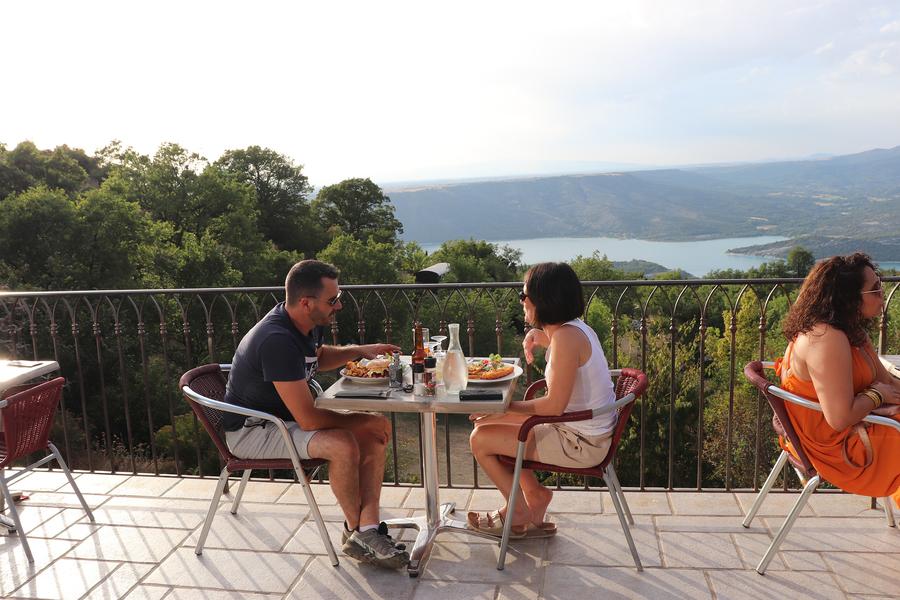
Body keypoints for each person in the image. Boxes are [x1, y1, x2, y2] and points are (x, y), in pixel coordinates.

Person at [223, 259, 410, 569]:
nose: (338, 306)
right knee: (345, 443)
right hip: (253, 430)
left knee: (374, 434)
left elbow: (318, 357)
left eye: (339, 297)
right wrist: (360, 421)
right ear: (307, 302)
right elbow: (309, 419)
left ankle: (367, 528)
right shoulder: (277, 340)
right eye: (332, 300)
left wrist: (361, 350)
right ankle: (358, 532)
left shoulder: (306, 324)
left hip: (283, 421)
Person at [467, 262, 617, 537]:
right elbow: (572, 357)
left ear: (542, 300)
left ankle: (519, 510)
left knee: (480, 439)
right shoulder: (574, 330)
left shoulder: (565, 339)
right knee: (484, 428)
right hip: (583, 430)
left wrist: (503, 409)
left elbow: (553, 406)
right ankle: (534, 496)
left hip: (581, 443)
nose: (522, 301)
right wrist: (543, 337)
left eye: (524, 296)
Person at [777, 252, 900, 508]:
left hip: (860, 431)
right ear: (849, 297)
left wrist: (883, 390)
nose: (882, 293)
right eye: (875, 289)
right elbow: (840, 417)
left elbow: (887, 379)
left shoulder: (850, 332)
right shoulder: (824, 338)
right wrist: (876, 394)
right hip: (840, 452)